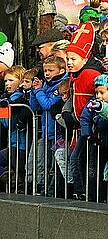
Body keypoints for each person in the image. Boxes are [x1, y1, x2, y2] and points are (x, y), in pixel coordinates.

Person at [65, 22, 103, 200]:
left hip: (89, 127)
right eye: (68, 59)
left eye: (73, 59)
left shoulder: (89, 74)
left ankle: (87, 193)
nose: (69, 63)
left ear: (85, 58)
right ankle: (82, 192)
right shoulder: (76, 75)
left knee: (86, 162)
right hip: (80, 126)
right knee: (79, 160)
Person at [29, 56, 68, 194]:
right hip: (47, 131)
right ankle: (45, 191)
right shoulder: (45, 84)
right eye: (45, 70)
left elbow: (47, 105)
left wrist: (39, 91)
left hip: (57, 132)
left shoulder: (62, 85)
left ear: (61, 70)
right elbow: (35, 107)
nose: (46, 73)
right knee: (44, 164)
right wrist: (35, 91)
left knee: (53, 166)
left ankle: (52, 193)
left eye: (51, 70)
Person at [0, 65, 28, 192]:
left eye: (11, 80)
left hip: (21, 143)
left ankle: (18, 185)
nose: (7, 84)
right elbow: (6, 123)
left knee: (20, 170)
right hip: (13, 142)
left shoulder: (18, 97)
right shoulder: (6, 98)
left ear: (21, 81)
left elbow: (10, 122)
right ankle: (7, 175)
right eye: (6, 81)